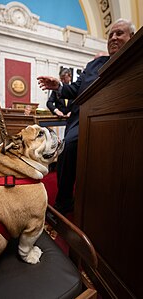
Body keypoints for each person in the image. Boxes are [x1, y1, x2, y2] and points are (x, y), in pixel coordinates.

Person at [37, 19, 136, 215]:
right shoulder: (94, 65)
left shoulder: (136, 61)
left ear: (132, 37)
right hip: (84, 119)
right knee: (69, 146)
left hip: (123, 119)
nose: (114, 38)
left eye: (120, 33)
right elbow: (75, 89)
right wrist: (58, 87)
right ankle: (65, 200)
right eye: (110, 35)